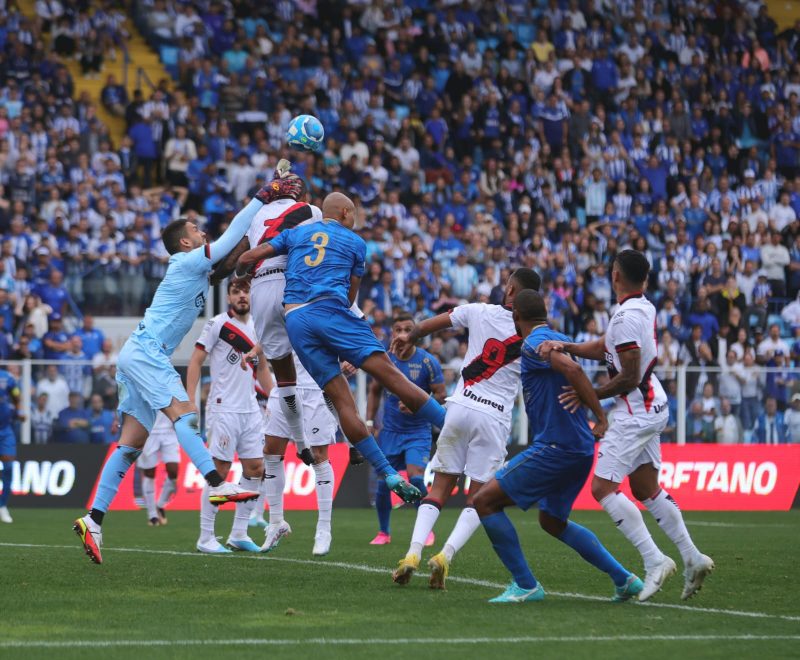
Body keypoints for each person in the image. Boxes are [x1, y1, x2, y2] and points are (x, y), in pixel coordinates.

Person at [73, 176, 292, 565]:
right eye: (195, 229)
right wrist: (264, 195)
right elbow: (228, 240)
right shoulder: (187, 260)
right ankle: (217, 483)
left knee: (129, 447)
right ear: (187, 243)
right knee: (185, 417)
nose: (201, 230)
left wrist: (267, 231)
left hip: (137, 354)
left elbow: (229, 261)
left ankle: (94, 520)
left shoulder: (193, 269)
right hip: (146, 354)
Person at [235, 191, 447, 505]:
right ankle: (453, 427)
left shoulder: (297, 233)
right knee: (392, 377)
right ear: (346, 212)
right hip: (330, 312)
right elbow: (349, 297)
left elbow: (246, 259)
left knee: (339, 398)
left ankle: (387, 472)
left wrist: (245, 274)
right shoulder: (354, 242)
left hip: (296, 319)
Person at [539, 250, 714, 601]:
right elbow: (607, 347)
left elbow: (630, 375)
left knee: (602, 488)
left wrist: (591, 394)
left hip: (636, 410)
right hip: (652, 403)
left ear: (615, 275)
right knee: (645, 486)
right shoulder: (641, 307)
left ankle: (654, 561)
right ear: (645, 280)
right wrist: (570, 345)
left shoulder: (624, 317)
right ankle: (693, 557)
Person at [472, 290, 642, 603]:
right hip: (578, 450)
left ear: (515, 318)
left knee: (484, 502)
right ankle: (624, 579)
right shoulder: (558, 336)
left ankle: (525, 585)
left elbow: (573, 370)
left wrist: (600, 417)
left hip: (556, 447)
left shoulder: (534, 343)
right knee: (551, 520)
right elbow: (573, 367)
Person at [391, 267, 541, 589]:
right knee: (477, 497)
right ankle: (445, 555)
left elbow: (432, 325)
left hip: (460, 407)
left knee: (439, 489)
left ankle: (412, 553)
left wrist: (409, 335)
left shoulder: (479, 310)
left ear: (511, 289)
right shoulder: (535, 334)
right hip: (494, 418)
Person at [210, 161, 318, 465]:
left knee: (285, 377)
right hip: (295, 286)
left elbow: (234, 259)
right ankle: (349, 438)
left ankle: (300, 441)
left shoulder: (257, 215)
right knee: (325, 360)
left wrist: (213, 277)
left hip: (262, 288)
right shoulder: (312, 211)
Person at [186, 280, 274, 553]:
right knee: (220, 471)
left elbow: (262, 370)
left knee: (256, 469)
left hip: (250, 409)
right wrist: (190, 400)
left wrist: (276, 400)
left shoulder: (258, 327)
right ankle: (205, 537)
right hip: (223, 408)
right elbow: (195, 362)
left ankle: (239, 532)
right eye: (236, 292)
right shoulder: (217, 324)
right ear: (228, 297)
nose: (242, 296)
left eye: (246, 291)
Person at [366, 312, 446, 546]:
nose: (402, 334)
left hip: (417, 431)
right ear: (392, 333)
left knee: (416, 477)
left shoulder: (427, 361)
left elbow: (441, 393)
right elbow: (374, 391)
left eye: (407, 329)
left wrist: (418, 406)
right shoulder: (384, 359)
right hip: (390, 431)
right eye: (398, 329)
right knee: (384, 483)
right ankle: (384, 532)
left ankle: (426, 531)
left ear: (415, 334)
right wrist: (370, 423)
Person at [260, 352, 338, 556]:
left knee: (319, 455)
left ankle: (323, 529)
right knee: (271, 451)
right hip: (283, 384)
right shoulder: (276, 318)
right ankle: (276, 521)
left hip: (315, 387)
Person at [137, 412, 180, 526]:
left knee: (173, 472)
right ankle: (152, 515)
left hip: (169, 431)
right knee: (149, 473)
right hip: (149, 430)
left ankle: (160, 505)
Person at [0, 367, 21, 523]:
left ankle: (2, 506)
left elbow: (16, 395)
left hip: (5, 430)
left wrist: (17, 411)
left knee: (8, 467)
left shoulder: (7, 377)